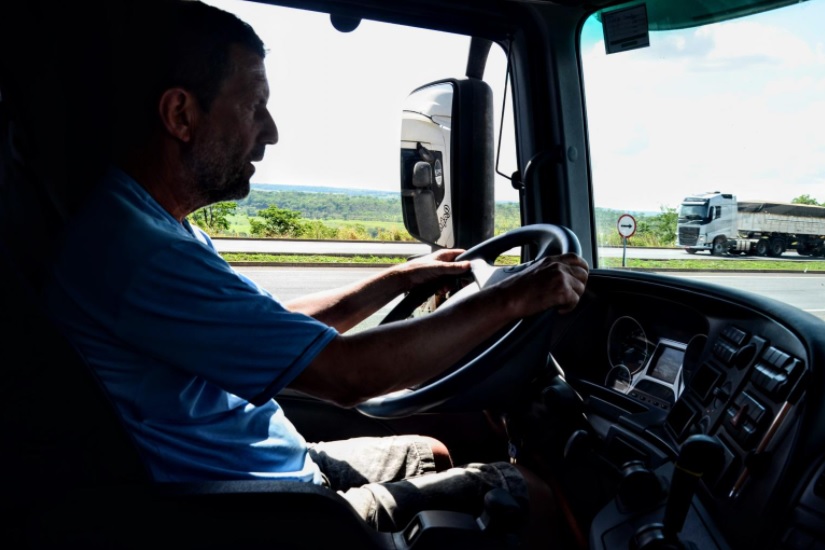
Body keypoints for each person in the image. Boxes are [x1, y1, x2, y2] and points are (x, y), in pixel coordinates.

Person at [43, 0, 589, 545]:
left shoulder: (145, 225)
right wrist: (512, 297)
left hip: (274, 468)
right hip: (262, 510)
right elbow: (347, 376)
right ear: (181, 115)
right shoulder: (141, 255)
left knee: (436, 451)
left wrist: (397, 279)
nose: (271, 132)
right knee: (530, 494)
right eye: (254, 107)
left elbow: (275, 325)